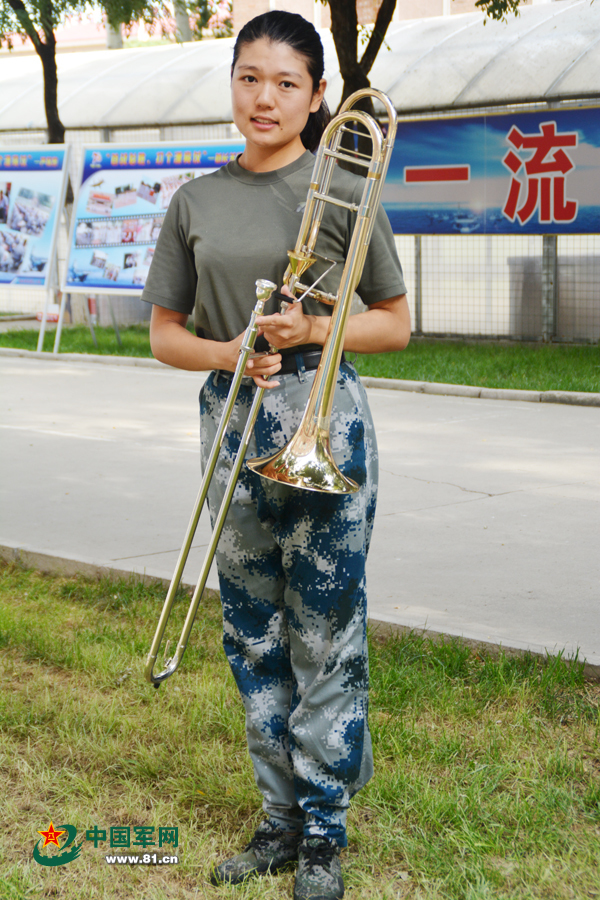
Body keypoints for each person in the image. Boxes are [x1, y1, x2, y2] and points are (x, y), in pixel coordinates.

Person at [142, 11, 410, 900]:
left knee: (325, 634)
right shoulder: (196, 200)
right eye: (250, 77)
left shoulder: (346, 182)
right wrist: (231, 352)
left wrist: (316, 326)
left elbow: (397, 325)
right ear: (232, 83)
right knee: (250, 629)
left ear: (318, 96)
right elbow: (164, 335)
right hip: (234, 413)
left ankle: (326, 833)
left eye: (287, 82)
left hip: (324, 412)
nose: (266, 97)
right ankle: (279, 822)